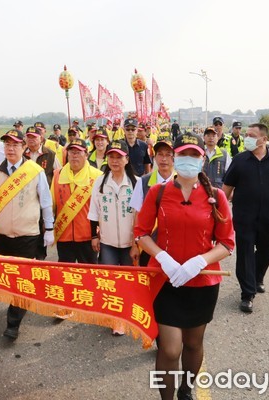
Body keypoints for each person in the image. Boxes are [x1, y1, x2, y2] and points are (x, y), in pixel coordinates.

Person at [134, 132, 235, 400]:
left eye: (194, 155)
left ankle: (186, 390)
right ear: (174, 159)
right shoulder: (158, 192)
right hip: (165, 280)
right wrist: (163, 258)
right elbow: (141, 233)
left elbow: (227, 243)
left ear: (202, 160)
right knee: (169, 349)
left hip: (202, 282)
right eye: (183, 155)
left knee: (193, 343)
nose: (188, 160)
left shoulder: (216, 196)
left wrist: (200, 261)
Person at [0, 129, 54, 340]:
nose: (10, 148)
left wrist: (50, 228)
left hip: (27, 235)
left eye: (15, 145)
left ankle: (13, 322)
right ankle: (17, 304)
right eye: (7, 145)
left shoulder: (34, 170)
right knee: (5, 277)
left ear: (23, 148)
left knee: (22, 279)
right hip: (1, 235)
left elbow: (45, 202)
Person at [222, 123, 269, 313]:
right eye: (246, 134)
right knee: (245, 254)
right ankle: (247, 294)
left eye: (251, 135)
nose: (246, 138)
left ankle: (257, 277)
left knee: (268, 250)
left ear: (264, 139)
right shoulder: (239, 160)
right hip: (244, 217)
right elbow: (226, 189)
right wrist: (218, 211)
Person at [88, 140, 137, 335]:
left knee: (127, 281)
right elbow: (94, 212)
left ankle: (126, 316)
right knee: (108, 280)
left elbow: (142, 215)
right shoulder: (100, 182)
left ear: (127, 159)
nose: (115, 161)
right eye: (111, 156)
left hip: (129, 243)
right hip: (107, 241)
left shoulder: (136, 182)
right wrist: (94, 236)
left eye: (119, 157)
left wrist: (137, 242)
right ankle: (115, 318)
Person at [52, 138, 103, 264]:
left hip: (88, 236)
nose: (74, 156)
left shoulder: (97, 176)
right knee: (64, 275)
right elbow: (51, 203)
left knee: (88, 276)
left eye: (78, 152)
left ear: (86, 154)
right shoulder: (58, 174)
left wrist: (97, 234)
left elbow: (102, 208)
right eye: (71, 152)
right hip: (64, 234)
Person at [129, 136, 176, 266]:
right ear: (154, 158)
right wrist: (134, 245)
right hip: (148, 245)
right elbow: (137, 216)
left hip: (173, 246)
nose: (164, 159)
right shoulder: (143, 182)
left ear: (174, 157)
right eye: (160, 154)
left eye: (168, 154)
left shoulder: (181, 181)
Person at [25, 126, 61, 260]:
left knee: (42, 230)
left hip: (44, 201)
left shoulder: (50, 154)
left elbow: (58, 175)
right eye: (28, 137)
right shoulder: (22, 154)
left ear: (41, 138)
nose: (31, 140)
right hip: (27, 201)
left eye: (34, 137)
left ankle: (40, 258)